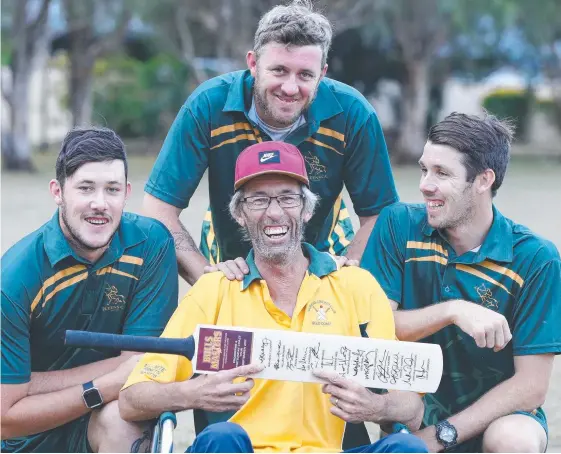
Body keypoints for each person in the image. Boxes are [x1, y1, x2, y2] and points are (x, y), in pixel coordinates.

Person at [120, 142, 427, 453]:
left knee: (406, 447)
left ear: (307, 209)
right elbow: (132, 399)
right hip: (243, 449)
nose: (275, 212)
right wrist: (191, 393)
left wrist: (378, 406)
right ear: (239, 214)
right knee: (222, 438)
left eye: (287, 198)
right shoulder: (215, 289)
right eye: (259, 200)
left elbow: (412, 411)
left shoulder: (355, 285)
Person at [142, 0, 398, 285]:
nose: (290, 88)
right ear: (253, 63)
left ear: (322, 74)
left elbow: (380, 216)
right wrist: (208, 280)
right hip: (229, 252)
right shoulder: (208, 105)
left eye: (305, 75)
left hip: (323, 245)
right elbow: (158, 208)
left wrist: (344, 277)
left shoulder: (353, 114)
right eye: (278, 70)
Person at [361, 112, 561, 452]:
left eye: (442, 173)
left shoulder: (536, 258)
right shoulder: (397, 224)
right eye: (425, 169)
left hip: (494, 417)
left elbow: (531, 386)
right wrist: (454, 310)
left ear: (483, 180)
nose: (424, 184)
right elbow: (372, 329)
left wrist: (442, 435)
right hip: (410, 413)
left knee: (516, 439)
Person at [1, 127, 179, 453]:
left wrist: (31, 385)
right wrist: (100, 385)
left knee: (120, 422)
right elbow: (5, 418)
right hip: (25, 439)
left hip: (107, 415)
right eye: (85, 188)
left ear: (126, 192)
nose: (100, 204)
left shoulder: (150, 244)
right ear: (58, 191)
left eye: (112, 189)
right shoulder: (14, 278)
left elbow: (142, 360)